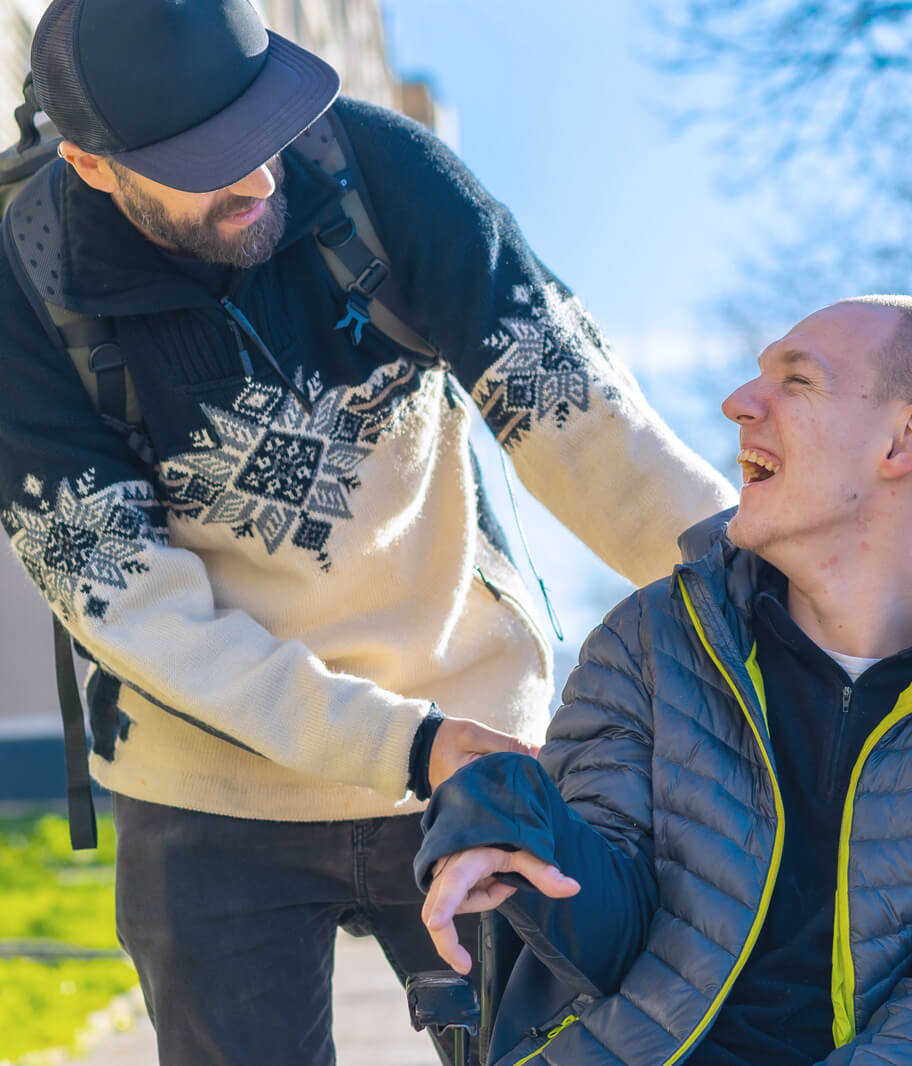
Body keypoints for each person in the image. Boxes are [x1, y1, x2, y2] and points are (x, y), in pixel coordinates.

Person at [0, 0, 737, 1063]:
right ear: (96, 168)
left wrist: (766, 589)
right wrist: (405, 743)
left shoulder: (380, 170)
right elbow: (138, 612)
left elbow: (584, 421)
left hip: (476, 734)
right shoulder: (24, 293)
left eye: (262, 125)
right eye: (209, 161)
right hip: (211, 783)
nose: (259, 174)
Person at [417, 295, 912, 1066]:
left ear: (906, 439)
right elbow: (608, 940)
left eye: (796, 382)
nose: (738, 404)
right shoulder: (652, 638)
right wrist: (513, 811)